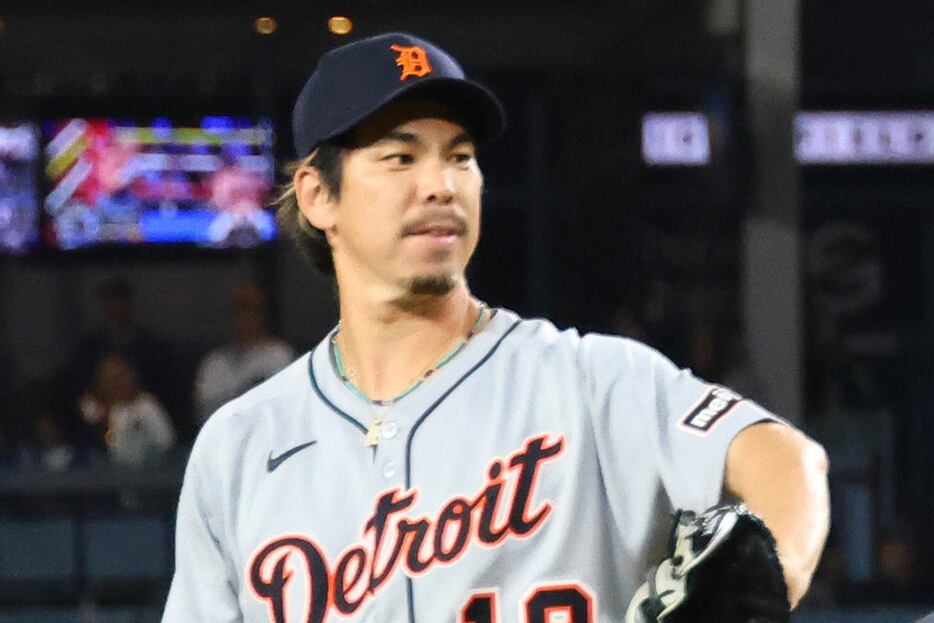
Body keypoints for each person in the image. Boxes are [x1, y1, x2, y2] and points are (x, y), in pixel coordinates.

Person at [163, 33, 830, 622]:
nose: (441, 185)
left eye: (460, 157)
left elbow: (787, 461)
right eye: (401, 158)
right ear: (318, 196)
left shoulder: (592, 382)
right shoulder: (240, 446)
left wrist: (766, 577)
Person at [193, 281, 294, 424]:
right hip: (225, 432)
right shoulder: (214, 362)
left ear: (262, 315)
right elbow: (202, 411)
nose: (245, 317)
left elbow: (285, 405)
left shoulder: (278, 354)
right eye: (240, 310)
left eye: (251, 310)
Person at [79, 353, 176, 468]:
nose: (115, 383)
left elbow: (167, 442)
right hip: (102, 473)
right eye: (109, 377)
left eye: (119, 376)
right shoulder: (89, 409)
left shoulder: (147, 405)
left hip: (149, 471)